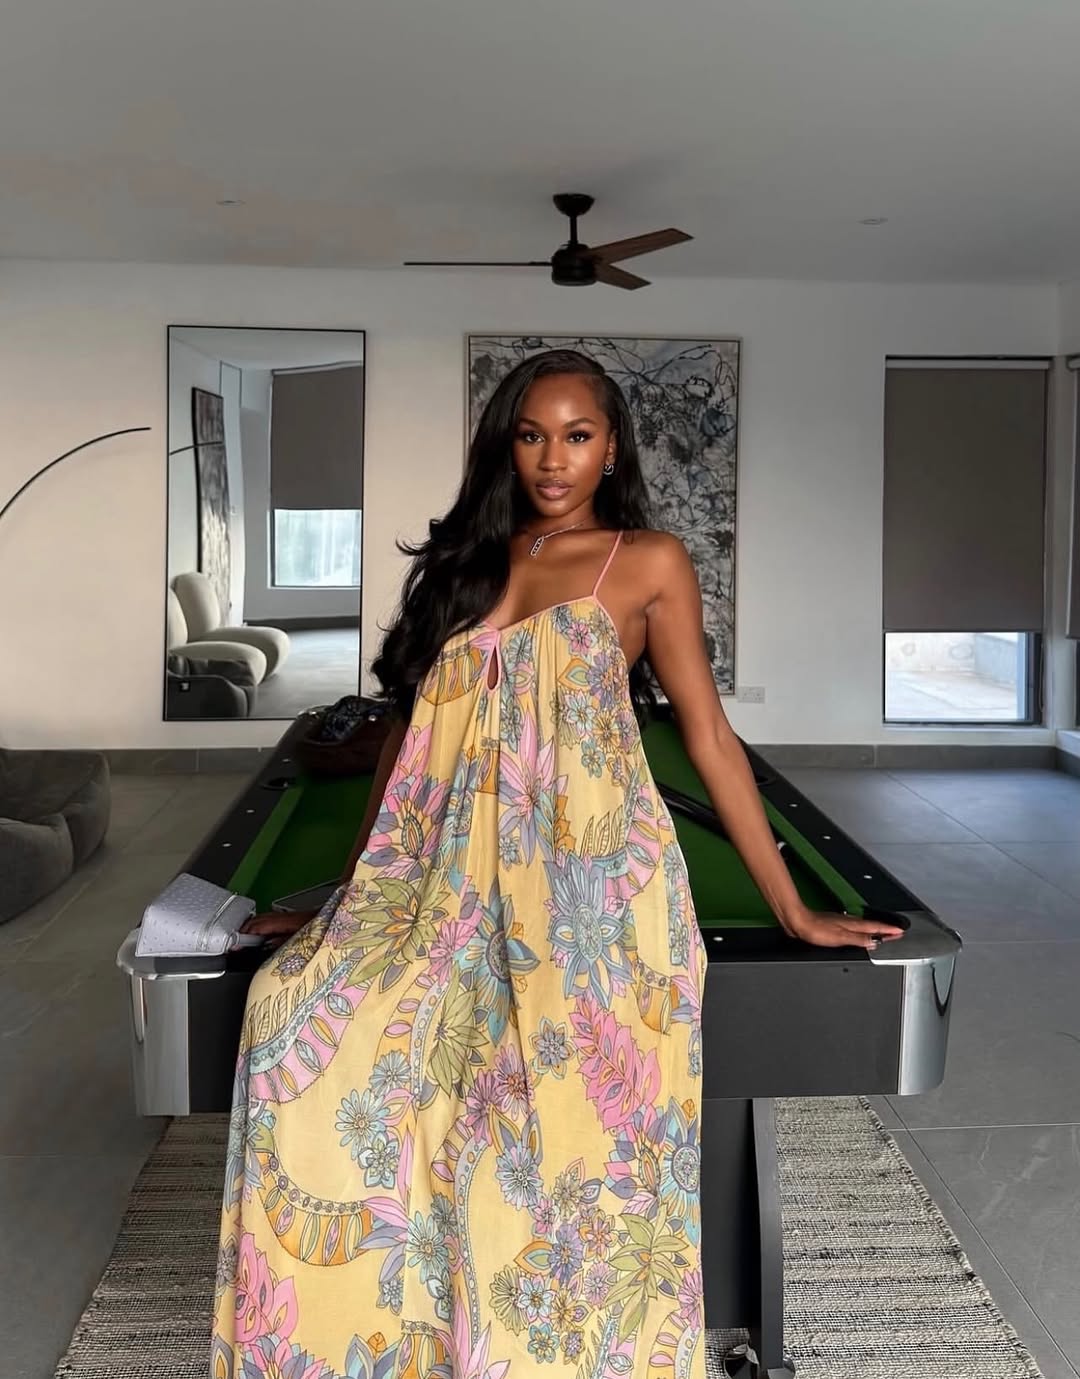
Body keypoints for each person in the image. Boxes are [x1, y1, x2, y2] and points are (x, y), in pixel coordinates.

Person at [211, 349, 902, 1379]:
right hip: (447, 884)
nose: (553, 458)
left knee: (548, 1131)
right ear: (507, 443)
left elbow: (710, 737)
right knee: (289, 1015)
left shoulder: (648, 561)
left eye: (577, 436)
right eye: (533, 434)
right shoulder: (464, 565)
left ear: (611, 447)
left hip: (591, 891)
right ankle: (391, 1343)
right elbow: (404, 746)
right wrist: (351, 898)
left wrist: (795, 908)